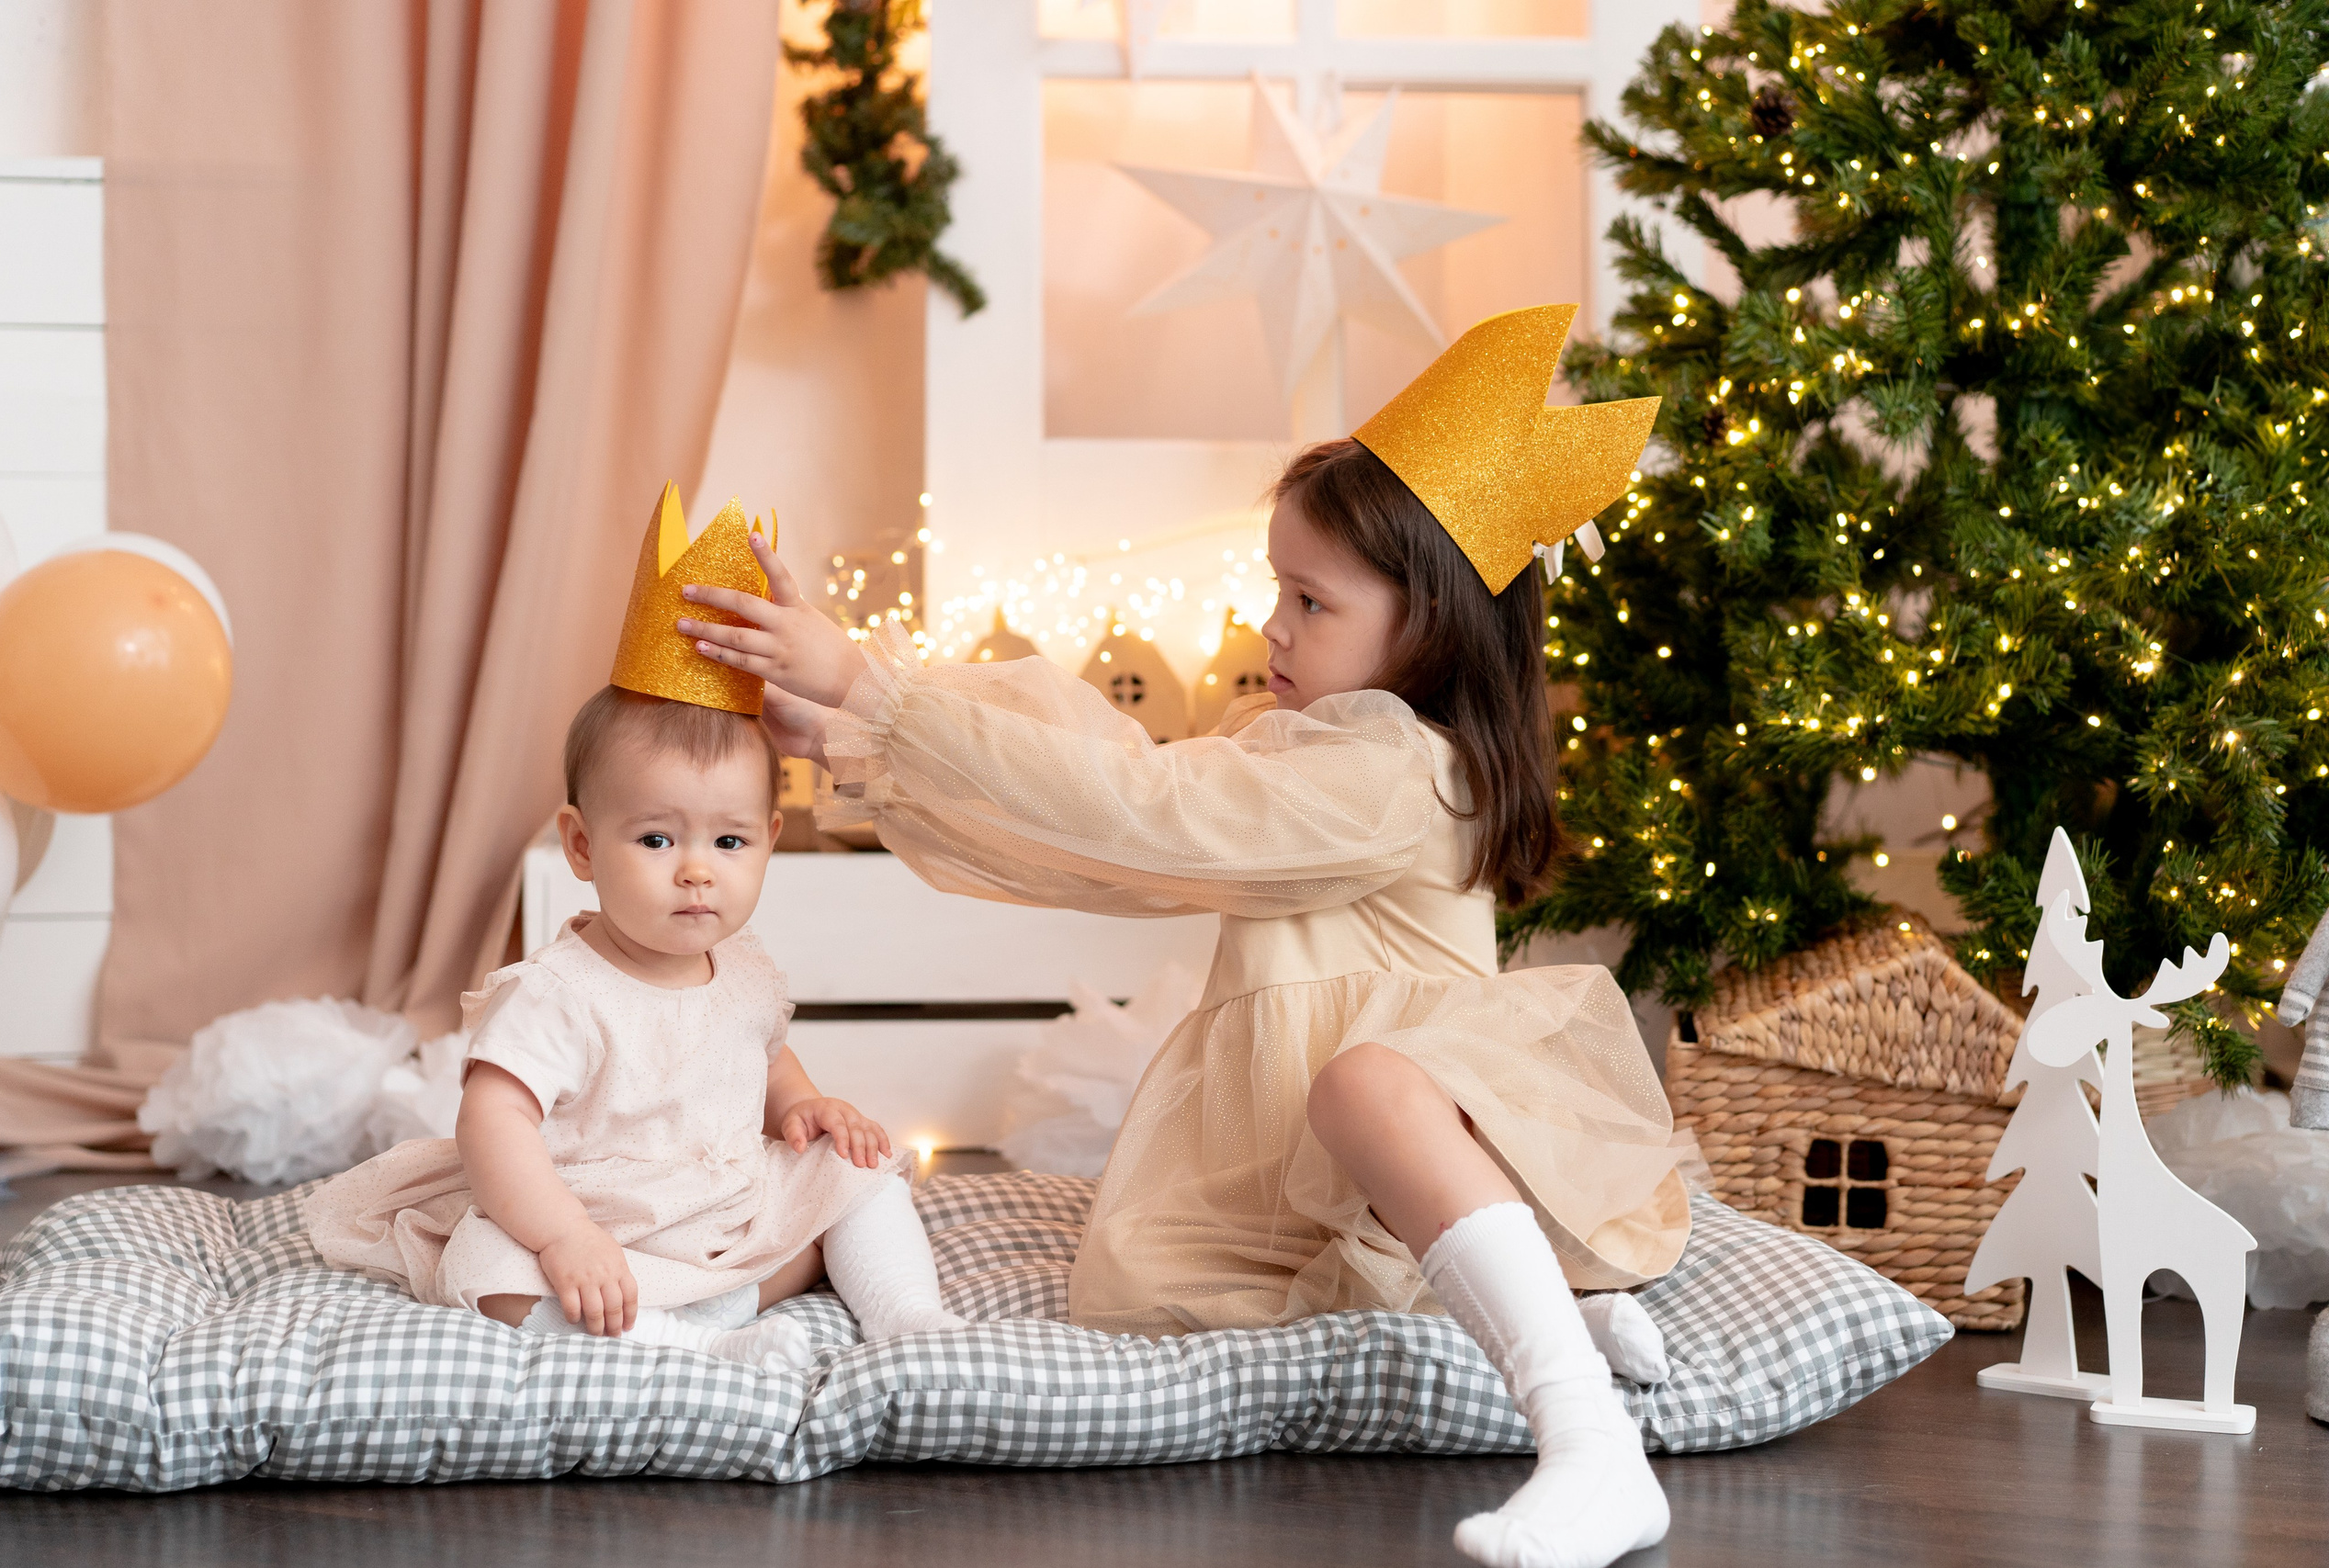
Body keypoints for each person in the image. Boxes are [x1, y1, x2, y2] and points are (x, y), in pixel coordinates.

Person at [679, 307, 1690, 1568]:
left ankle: (1589, 1440)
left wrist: (882, 689)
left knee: (1367, 1081)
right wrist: (860, 735)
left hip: (1413, 1124)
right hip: (1335, 1175)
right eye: (1278, 587)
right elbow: (1126, 814)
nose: (1272, 625)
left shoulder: (1396, 771)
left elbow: (1151, 810)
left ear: (1430, 622)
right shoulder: (1308, 752)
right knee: (1270, 1194)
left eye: (1309, 599)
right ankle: (1523, 1312)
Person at [308, 490, 963, 1369]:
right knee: (484, 1266)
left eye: (728, 840)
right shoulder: (557, 991)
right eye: (656, 838)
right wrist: (564, 1236)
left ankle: (907, 1321)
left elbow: (764, 1055)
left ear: (768, 841)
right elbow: (492, 1122)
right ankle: (681, 1343)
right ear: (581, 844)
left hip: (725, 1207)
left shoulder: (743, 968)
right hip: (599, 1225)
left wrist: (804, 1106)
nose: (697, 868)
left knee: (861, 1177)